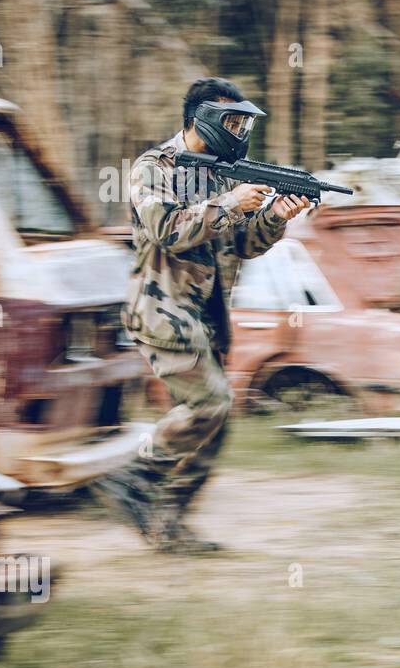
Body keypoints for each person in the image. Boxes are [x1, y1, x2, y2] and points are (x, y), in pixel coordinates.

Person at [98, 77, 311, 553]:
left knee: (216, 421)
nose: (238, 129)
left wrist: (276, 215)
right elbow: (168, 230)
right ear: (202, 119)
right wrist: (232, 203)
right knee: (209, 403)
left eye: (243, 121)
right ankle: (132, 477)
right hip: (160, 310)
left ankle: (166, 523)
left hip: (205, 316)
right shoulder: (153, 168)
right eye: (231, 120)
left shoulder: (222, 175)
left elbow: (242, 244)